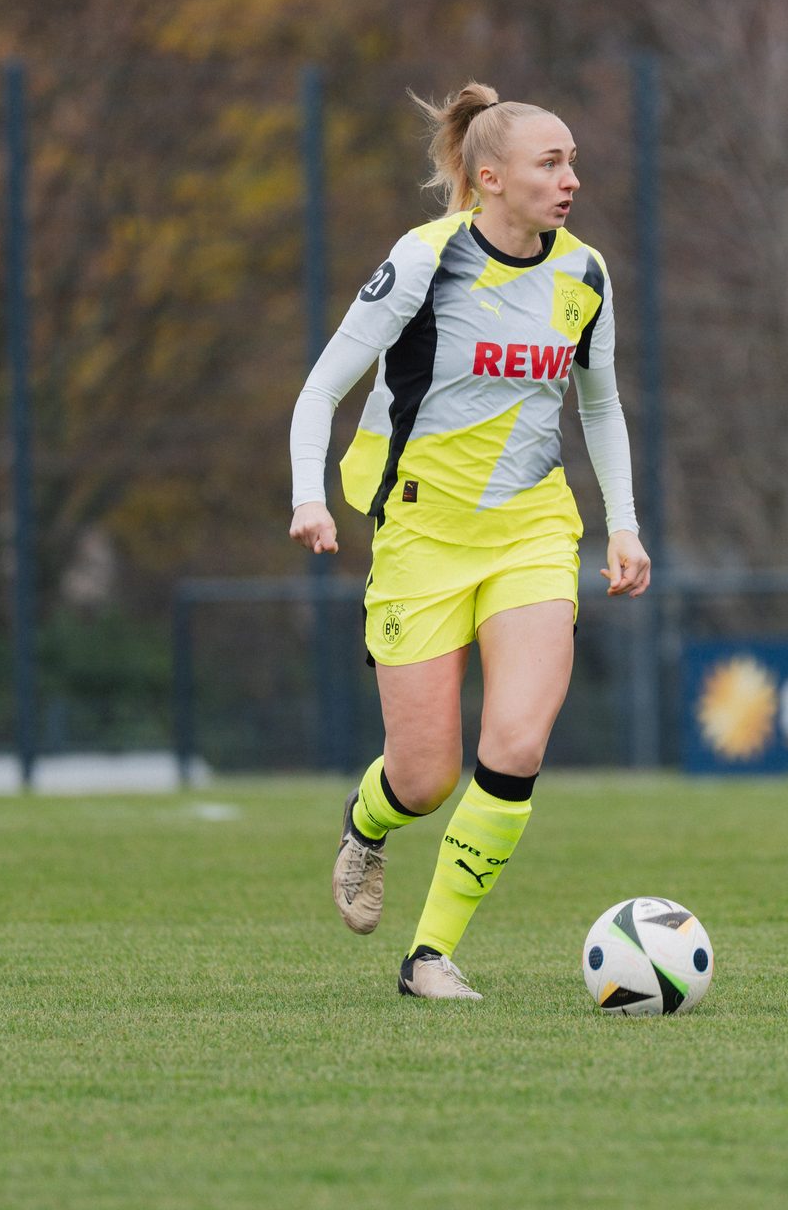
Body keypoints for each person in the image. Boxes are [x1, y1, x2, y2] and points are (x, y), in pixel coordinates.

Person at [287, 82, 650, 999]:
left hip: (533, 531)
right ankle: (368, 827)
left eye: (572, 161)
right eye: (551, 163)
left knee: (519, 741)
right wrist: (309, 497)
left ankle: (430, 956)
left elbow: (599, 407)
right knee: (424, 777)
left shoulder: (586, 276)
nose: (572, 178)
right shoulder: (426, 260)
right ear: (490, 179)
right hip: (420, 537)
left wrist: (625, 525)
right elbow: (321, 389)